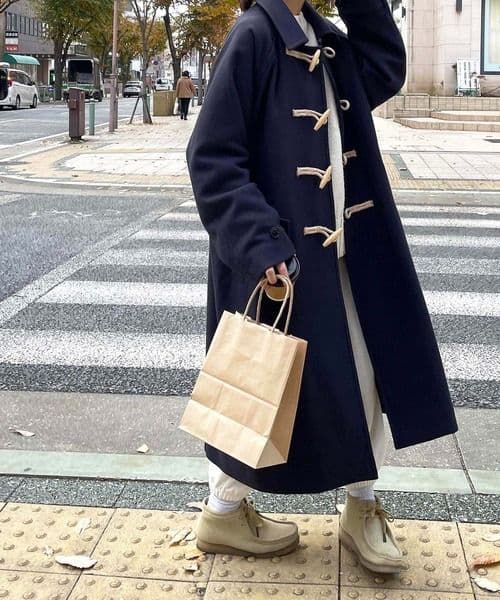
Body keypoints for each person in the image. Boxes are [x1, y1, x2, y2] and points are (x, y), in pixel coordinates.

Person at [187, 0, 458, 573]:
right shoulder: (254, 35)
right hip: (282, 261)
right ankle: (223, 510)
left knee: (364, 377)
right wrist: (260, 243)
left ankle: (361, 504)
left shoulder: (322, 36)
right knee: (258, 383)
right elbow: (211, 157)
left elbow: (383, 66)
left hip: (349, 255)